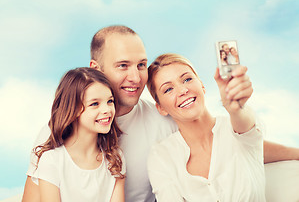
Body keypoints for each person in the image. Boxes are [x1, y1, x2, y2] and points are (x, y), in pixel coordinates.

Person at [22, 25, 299, 202]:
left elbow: (233, 144)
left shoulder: (163, 121)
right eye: (122, 65)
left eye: (141, 64)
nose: (135, 77)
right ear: (95, 68)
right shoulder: (58, 132)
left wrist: (293, 151)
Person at [147, 53, 265, 201]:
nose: (183, 90)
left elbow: (246, 125)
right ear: (161, 108)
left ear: (202, 85)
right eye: (168, 89)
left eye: (187, 79)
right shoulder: (161, 156)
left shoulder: (237, 129)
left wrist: (236, 108)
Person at [30, 67, 126, 202]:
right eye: (94, 104)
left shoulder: (115, 159)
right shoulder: (52, 160)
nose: (107, 110)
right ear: (73, 109)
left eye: (110, 101)